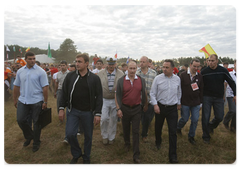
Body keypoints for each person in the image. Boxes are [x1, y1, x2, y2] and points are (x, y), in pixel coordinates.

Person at [58, 53, 103, 165]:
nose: (76, 64)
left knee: (88, 136)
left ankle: (86, 157)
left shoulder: (94, 78)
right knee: (70, 134)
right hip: (73, 111)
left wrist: (97, 113)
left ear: (86, 63)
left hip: (88, 112)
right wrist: (61, 108)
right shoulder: (70, 76)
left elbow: (99, 97)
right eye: (76, 61)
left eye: (79, 62)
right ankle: (77, 153)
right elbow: (63, 93)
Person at [13, 51, 49, 152]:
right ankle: (30, 136)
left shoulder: (40, 71)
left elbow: (45, 87)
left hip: (36, 100)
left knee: (37, 123)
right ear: (26, 60)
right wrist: (15, 99)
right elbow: (16, 86)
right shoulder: (20, 71)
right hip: (23, 100)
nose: (32, 60)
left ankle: (36, 143)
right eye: (30, 59)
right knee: (20, 120)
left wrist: (45, 102)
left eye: (33, 58)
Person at [115, 60, 148, 164]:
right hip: (124, 108)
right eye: (130, 68)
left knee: (136, 131)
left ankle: (136, 154)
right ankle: (127, 143)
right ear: (127, 69)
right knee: (125, 128)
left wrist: (145, 104)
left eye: (134, 68)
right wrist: (118, 109)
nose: (132, 70)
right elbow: (117, 96)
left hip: (137, 109)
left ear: (136, 69)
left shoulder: (141, 80)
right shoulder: (121, 80)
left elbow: (144, 92)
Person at [150, 59, 181, 164]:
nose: (164, 69)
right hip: (160, 107)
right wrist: (155, 105)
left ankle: (173, 156)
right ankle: (158, 141)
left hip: (172, 109)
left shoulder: (177, 79)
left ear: (173, 68)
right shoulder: (158, 79)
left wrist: (179, 102)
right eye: (163, 67)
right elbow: (152, 93)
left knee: (173, 132)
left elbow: (179, 92)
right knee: (158, 127)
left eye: (167, 67)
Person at [201, 54, 237, 144]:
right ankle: (206, 136)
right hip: (207, 97)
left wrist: (236, 94)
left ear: (217, 61)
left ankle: (211, 126)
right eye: (209, 60)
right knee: (205, 117)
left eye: (212, 61)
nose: (210, 62)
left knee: (219, 116)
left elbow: (231, 82)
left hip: (218, 97)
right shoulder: (204, 71)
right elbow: (199, 84)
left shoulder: (223, 70)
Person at [176, 59, 203, 145]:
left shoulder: (200, 77)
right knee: (184, 118)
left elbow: (202, 90)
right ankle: (178, 127)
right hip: (185, 102)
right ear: (190, 65)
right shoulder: (183, 75)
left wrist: (201, 102)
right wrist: (178, 101)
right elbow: (178, 89)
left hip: (196, 102)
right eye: (194, 66)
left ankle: (191, 136)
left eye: (198, 66)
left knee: (195, 120)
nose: (196, 68)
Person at [98, 57, 124, 145]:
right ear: (107, 64)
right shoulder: (101, 73)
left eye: (113, 64)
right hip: (104, 99)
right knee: (104, 118)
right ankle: (104, 136)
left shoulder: (121, 74)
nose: (111, 66)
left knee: (113, 119)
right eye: (109, 64)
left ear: (115, 64)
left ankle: (111, 137)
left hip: (115, 100)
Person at [136, 56, 157, 143]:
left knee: (147, 118)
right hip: (138, 100)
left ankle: (144, 134)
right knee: (138, 118)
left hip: (150, 100)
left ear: (148, 63)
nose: (141, 63)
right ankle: (136, 133)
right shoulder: (136, 73)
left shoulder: (153, 73)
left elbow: (156, 87)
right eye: (140, 61)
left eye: (143, 62)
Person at [223, 59, 237, 132]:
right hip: (230, 94)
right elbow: (225, 84)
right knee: (233, 110)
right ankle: (225, 121)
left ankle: (233, 127)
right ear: (234, 65)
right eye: (237, 65)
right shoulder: (230, 74)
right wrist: (224, 95)